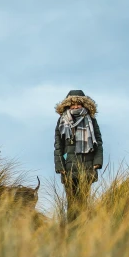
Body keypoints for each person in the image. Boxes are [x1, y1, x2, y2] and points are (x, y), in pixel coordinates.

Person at [54, 89, 103, 221]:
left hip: (87, 167)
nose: (75, 106)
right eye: (72, 104)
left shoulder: (91, 120)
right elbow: (58, 145)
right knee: (71, 202)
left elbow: (98, 142)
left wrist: (97, 163)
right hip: (68, 168)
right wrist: (60, 166)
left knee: (83, 200)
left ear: (85, 105)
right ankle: (71, 230)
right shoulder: (62, 121)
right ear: (67, 105)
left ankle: (83, 229)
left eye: (78, 104)